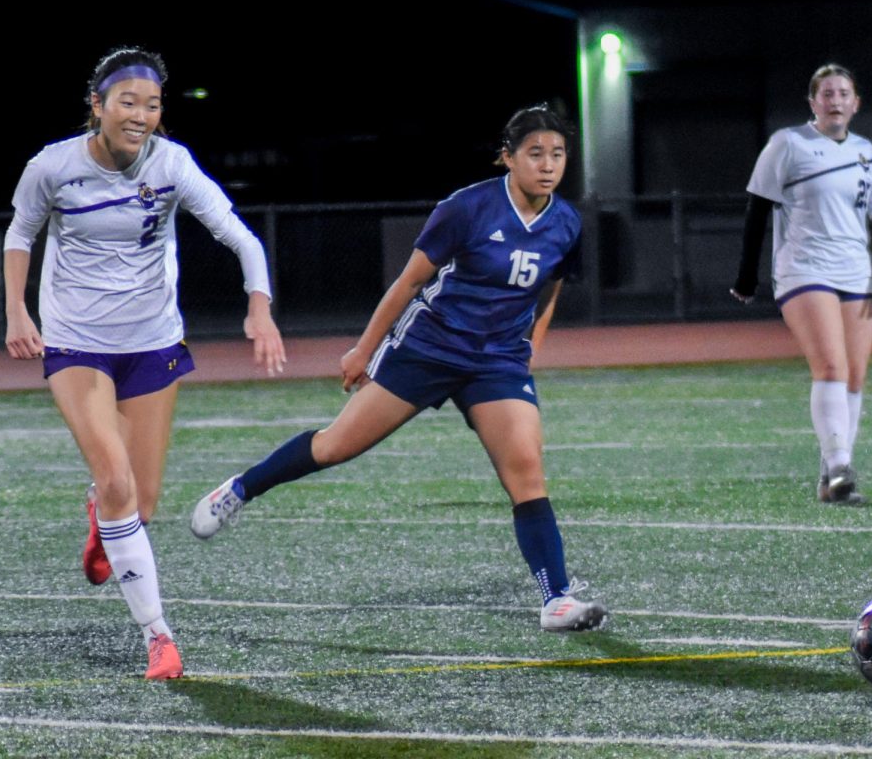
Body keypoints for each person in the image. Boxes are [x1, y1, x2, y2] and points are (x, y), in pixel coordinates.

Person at [191, 104, 608, 632]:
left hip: (497, 362)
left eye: (558, 154)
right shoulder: (467, 208)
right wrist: (362, 350)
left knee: (527, 472)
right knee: (336, 445)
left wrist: (531, 347)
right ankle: (240, 489)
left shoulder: (567, 222)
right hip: (429, 347)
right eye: (535, 154)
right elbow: (408, 282)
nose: (548, 165)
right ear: (507, 158)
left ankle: (556, 599)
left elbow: (551, 288)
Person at [4, 47, 285, 679]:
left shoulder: (172, 163)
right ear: (98, 106)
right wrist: (18, 314)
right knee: (118, 481)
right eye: (127, 103)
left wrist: (259, 307)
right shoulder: (52, 166)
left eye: (152, 105)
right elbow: (20, 233)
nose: (140, 115)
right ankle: (158, 636)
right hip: (75, 342)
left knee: (143, 502)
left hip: (153, 342)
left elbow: (238, 234)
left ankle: (102, 513)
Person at [732, 64, 872, 504]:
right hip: (803, 270)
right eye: (826, 93)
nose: (835, 100)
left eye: (843, 93)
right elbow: (758, 208)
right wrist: (747, 276)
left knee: (854, 376)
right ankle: (840, 467)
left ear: (856, 103)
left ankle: (830, 480)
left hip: (855, 271)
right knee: (832, 367)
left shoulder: (864, 152)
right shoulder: (788, 143)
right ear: (812, 102)